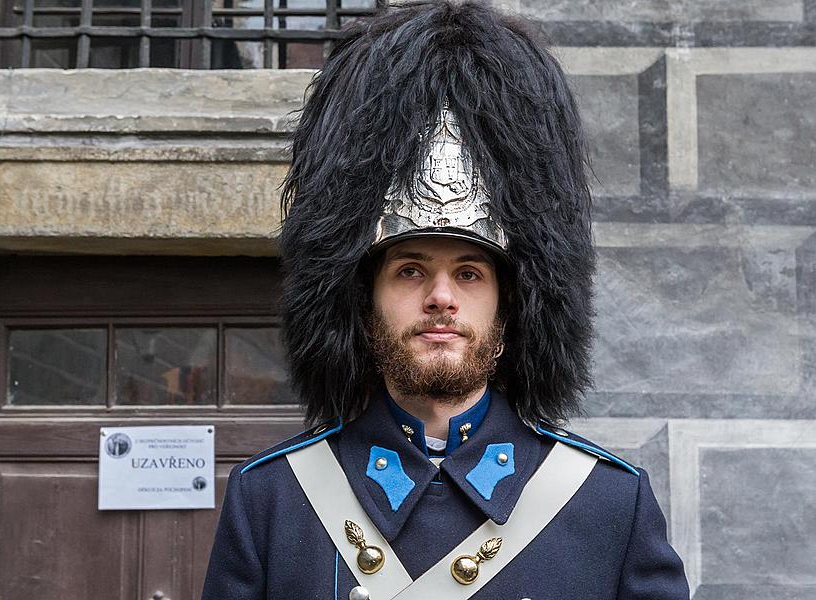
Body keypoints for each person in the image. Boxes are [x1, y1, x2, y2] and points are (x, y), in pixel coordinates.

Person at [201, 2, 690, 599]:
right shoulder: (274, 500)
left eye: (469, 274)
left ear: (508, 310)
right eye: (409, 271)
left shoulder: (609, 504)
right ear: (364, 305)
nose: (440, 298)